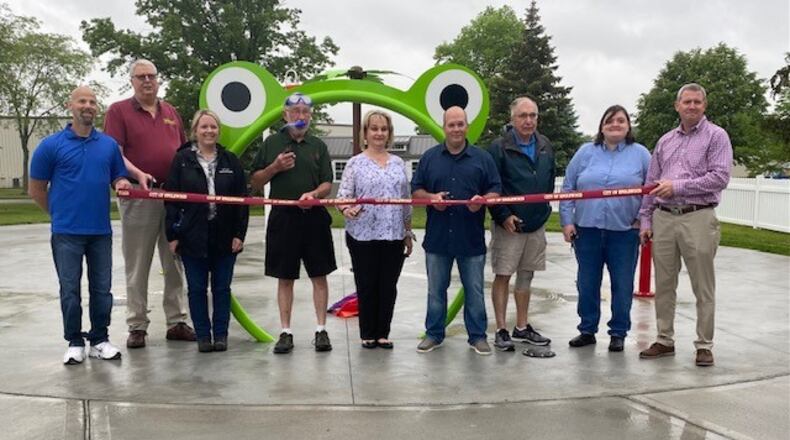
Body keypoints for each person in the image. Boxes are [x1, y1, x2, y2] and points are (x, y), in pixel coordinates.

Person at [29, 86, 132, 365]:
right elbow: (36, 188)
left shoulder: (108, 145)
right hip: (66, 234)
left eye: (93, 102)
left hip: (100, 231)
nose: (88, 106)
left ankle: (99, 338)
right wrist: (58, 213)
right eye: (82, 101)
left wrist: (121, 182)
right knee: (70, 290)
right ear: (70, 106)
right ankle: (74, 341)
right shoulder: (51, 145)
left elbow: (118, 176)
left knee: (102, 289)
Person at [638, 83, 732, 367]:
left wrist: (677, 187)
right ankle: (664, 339)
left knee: (702, 285)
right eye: (687, 102)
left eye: (697, 102)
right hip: (664, 217)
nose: (692, 106)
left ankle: (704, 345)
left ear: (704, 105)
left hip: (698, 216)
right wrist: (645, 218)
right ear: (677, 106)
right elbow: (651, 184)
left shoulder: (716, 136)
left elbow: (720, 177)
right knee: (665, 284)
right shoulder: (665, 141)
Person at [104, 59, 195, 348]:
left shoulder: (170, 112)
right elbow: (114, 153)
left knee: (174, 262)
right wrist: (137, 174)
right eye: (140, 76)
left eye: (151, 76)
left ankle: (177, 321)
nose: (147, 81)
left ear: (158, 80)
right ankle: (137, 325)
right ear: (131, 81)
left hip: (172, 197)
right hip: (139, 195)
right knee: (138, 263)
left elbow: (182, 152)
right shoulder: (119, 111)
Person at [560, 105, 651, 352]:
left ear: (628, 125)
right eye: (610, 121)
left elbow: (650, 192)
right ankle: (587, 329)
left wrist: (643, 222)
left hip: (624, 232)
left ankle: (618, 332)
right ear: (602, 126)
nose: (615, 125)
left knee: (622, 284)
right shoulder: (585, 153)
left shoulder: (640, 154)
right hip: (587, 230)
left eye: (621, 121)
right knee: (587, 282)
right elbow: (568, 188)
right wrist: (567, 221)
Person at [250, 92, 336, 354]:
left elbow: (327, 183)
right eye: (295, 112)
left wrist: (315, 194)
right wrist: (274, 167)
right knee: (284, 277)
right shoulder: (272, 144)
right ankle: (285, 332)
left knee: (319, 275)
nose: (301, 117)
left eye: (305, 112)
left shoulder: (318, 145)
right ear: (285, 115)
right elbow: (255, 182)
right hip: (283, 217)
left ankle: (321, 330)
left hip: (314, 217)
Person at [412, 106, 502, 356]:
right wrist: (431, 198)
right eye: (451, 124)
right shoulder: (429, 158)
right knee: (435, 292)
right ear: (444, 127)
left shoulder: (482, 159)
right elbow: (416, 191)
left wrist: (482, 200)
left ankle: (477, 336)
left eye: (460, 124)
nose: (456, 129)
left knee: (474, 291)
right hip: (438, 239)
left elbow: (496, 189)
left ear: (467, 126)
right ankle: (434, 334)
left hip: (470, 239)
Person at [164, 110, 249, 353]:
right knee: (197, 289)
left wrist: (239, 235)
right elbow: (171, 200)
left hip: (224, 236)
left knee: (222, 289)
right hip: (192, 236)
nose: (209, 131)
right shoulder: (182, 160)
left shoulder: (230, 160)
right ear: (195, 131)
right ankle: (203, 335)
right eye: (204, 127)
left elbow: (242, 201)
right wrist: (173, 234)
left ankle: (220, 335)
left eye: (213, 127)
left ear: (218, 131)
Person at [336, 110, 414, 349]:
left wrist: (407, 232)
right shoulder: (354, 163)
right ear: (366, 133)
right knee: (367, 284)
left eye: (384, 129)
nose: (379, 133)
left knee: (388, 286)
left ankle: (383, 333)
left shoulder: (399, 163)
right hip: (363, 236)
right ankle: (368, 334)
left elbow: (405, 200)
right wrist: (347, 209)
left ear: (389, 133)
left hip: (393, 235)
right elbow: (342, 198)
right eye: (374, 129)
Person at [485, 97, 554, 352]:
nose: (528, 121)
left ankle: (522, 327)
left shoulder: (545, 145)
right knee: (503, 274)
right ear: (512, 119)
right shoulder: (498, 147)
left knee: (527, 275)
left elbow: (547, 183)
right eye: (523, 116)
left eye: (533, 116)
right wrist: (503, 215)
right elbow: (492, 185)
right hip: (509, 225)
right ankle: (502, 329)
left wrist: (544, 210)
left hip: (536, 224)